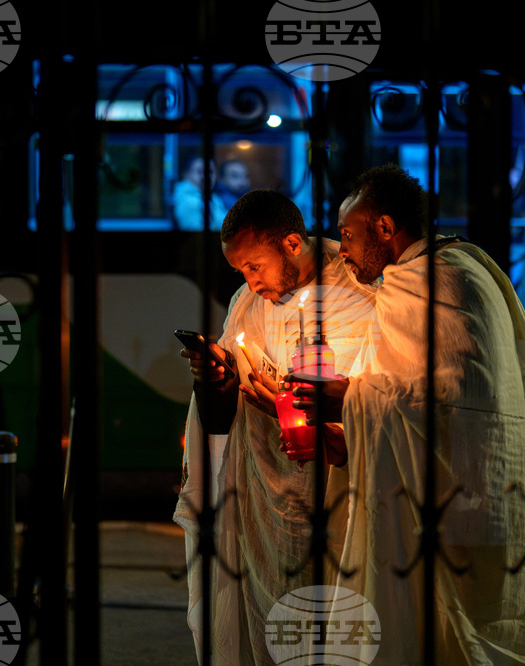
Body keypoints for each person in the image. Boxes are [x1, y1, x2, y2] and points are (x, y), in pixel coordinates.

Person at [294, 164, 525, 664]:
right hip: (480, 490)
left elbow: (454, 396)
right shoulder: (448, 270)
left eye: (348, 235)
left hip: (459, 498)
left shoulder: (439, 279)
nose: (340, 251)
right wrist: (352, 417)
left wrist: (349, 399)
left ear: (385, 228)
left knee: (456, 632)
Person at [172, 189, 379, 664]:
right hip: (266, 499)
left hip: (339, 491)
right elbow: (225, 412)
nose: (249, 281)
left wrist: (297, 403)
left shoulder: (358, 289)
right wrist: (218, 374)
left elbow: (380, 397)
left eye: (253, 265)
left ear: (290, 243)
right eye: (240, 271)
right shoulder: (250, 301)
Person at [174, 154, 229, 231]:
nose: (206, 176)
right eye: (200, 171)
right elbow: (197, 237)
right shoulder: (188, 201)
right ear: (186, 175)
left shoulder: (213, 198)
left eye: (210, 172)